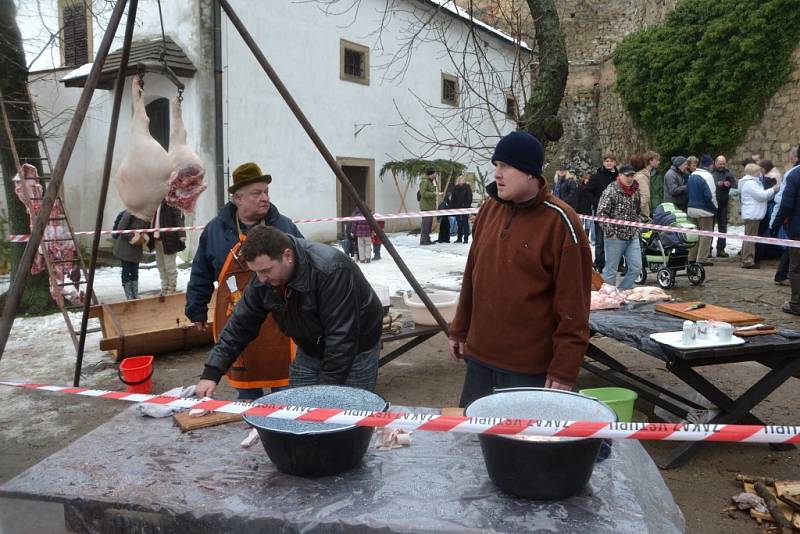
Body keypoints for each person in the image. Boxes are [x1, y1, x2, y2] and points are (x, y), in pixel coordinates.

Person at [447, 131, 592, 407]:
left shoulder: (561, 222)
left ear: (530, 173)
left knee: (518, 446)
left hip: (527, 368)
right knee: (471, 442)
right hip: (480, 358)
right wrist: (459, 328)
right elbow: (473, 275)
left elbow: (574, 306)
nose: (497, 174)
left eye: (505, 166)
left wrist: (564, 368)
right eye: (496, 165)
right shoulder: (489, 209)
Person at [195, 226, 383, 396]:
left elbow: (342, 339)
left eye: (266, 270)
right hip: (310, 348)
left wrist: (326, 394)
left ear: (287, 255)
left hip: (356, 350)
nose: (261, 279)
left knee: (346, 416)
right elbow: (239, 325)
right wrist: (211, 373)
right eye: (256, 272)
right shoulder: (263, 279)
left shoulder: (331, 270)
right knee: (299, 413)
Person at [186, 162, 303, 400]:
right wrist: (196, 308)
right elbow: (201, 272)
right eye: (256, 193)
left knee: (284, 384)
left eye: (266, 192)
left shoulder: (284, 226)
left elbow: (304, 265)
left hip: (279, 318)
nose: (264, 198)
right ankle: (249, 412)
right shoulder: (215, 230)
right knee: (245, 382)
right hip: (237, 316)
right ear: (237, 198)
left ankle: (281, 415)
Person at [596, 164, 643, 289]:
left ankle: (621, 292)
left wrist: (636, 228)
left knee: (636, 268)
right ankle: (608, 299)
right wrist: (611, 233)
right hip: (614, 238)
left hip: (632, 236)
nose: (630, 178)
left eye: (632, 175)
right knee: (611, 271)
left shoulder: (635, 191)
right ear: (620, 176)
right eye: (627, 175)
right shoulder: (611, 190)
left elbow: (638, 211)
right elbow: (601, 214)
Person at [771, 146, 800, 316]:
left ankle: (796, 304)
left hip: (798, 231)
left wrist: (775, 225)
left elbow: (786, 204)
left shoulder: (795, 175)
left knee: (796, 268)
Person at [739, 163, 778, 269]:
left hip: (754, 214)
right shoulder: (750, 183)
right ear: (753, 173)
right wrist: (773, 189)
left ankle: (746, 258)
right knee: (750, 239)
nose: (760, 174)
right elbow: (761, 196)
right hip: (753, 214)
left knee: (749, 237)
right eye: (758, 172)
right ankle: (748, 260)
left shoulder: (752, 182)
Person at [585, 154, 618, 271]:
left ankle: (618, 264)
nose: (609, 163)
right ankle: (599, 263)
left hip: (616, 211)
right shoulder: (596, 177)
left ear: (615, 162)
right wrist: (596, 202)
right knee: (599, 239)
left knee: (617, 238)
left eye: (611, 161)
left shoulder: (618, 176)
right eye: (607, 161)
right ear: (603, 163)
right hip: (600, 211)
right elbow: (587, 190)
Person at [148, 199, 186, 296]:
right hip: (156, 239)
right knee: (160, 265)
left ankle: (171, 288)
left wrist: (181, 233)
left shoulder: (171, 201)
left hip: (169, 240)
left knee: (169, 266)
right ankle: (164, 287)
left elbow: (179, 217)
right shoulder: (154, 202)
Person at [686, 155, 717, 267]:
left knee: (694, 235)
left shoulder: (692, 175)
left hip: (691, 208)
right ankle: (701, 259)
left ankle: (691, 257)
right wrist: (714, 208)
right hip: (704, 210)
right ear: (710, 165)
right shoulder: (708, 176)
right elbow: (710, 196)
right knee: (705, 235)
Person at [112, 210, 149, 300]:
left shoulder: (146, 214)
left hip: (136, 248)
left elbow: (145, 229)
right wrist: (133, 237)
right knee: (127, 270)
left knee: (135, 271)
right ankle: (129, 295)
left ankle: (135, 294)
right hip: (125, 247)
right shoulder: (130, 212)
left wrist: (143, 236)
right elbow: (121, 228)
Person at [710, 155, 736, 257]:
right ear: (715, 163)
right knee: (709, 228)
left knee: (722, 227)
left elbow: (735, 186)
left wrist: (729, 184)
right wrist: (717, 184)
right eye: (720, 164)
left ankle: (721, 249)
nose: (722, 166)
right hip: (712, 204)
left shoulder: (728, 173)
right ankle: (708, 249)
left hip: (723, 204)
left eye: (723, 164)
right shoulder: (710, 173)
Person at [418, 169, 439, 245]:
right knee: (425, 224)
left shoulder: (430, 182)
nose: (436, 175)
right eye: (435, 174)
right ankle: (423, 240)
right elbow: (423, 194)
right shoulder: (425, 182)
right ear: (431, 174)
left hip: (430, 207)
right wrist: (434, 194)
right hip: (426, 207)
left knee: (429, 224)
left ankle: (427, 239)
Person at [451, 175, 473, 243]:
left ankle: (466, 238)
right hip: (457, 208)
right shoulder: (455, 188)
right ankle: (459, 238)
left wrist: (466, 206)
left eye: (462, 179)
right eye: (460, 179)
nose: (461, 181)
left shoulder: (467, 188)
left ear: (464, 180)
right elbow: (453, 198)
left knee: (465, 223)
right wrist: (453, 207)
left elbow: (469, 198)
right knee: (459, 223)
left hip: (465, 208)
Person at [630, 154, 651, 218]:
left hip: (640, 215)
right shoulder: (638, 175)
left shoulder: (640, 177)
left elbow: (645, 196)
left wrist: (635, 210)